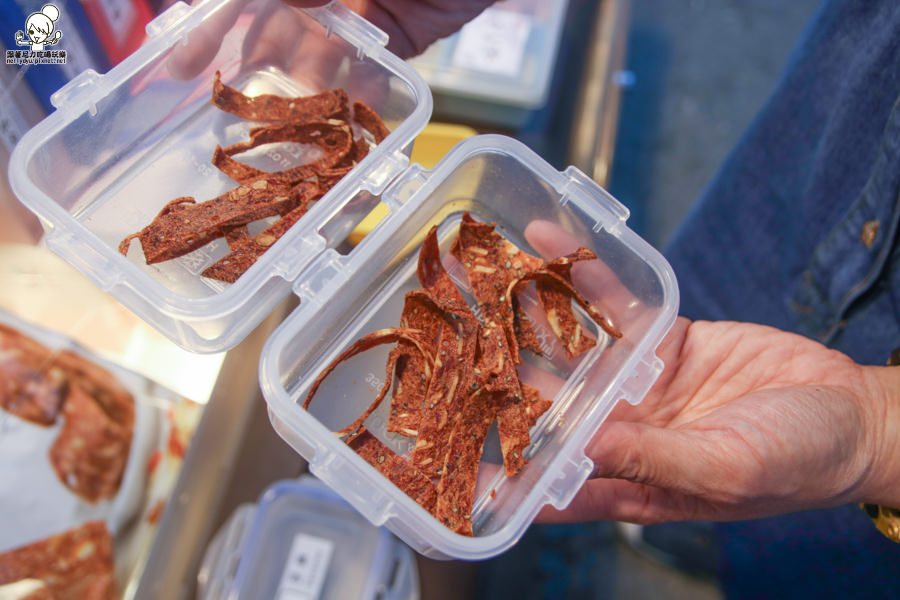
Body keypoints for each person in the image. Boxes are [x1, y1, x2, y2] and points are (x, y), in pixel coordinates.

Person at [177, 0, 900, 595]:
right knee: (680, 368)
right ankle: (680, 533)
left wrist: (876, 435)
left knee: (802, 538)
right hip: (851, 123)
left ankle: (726, 546)